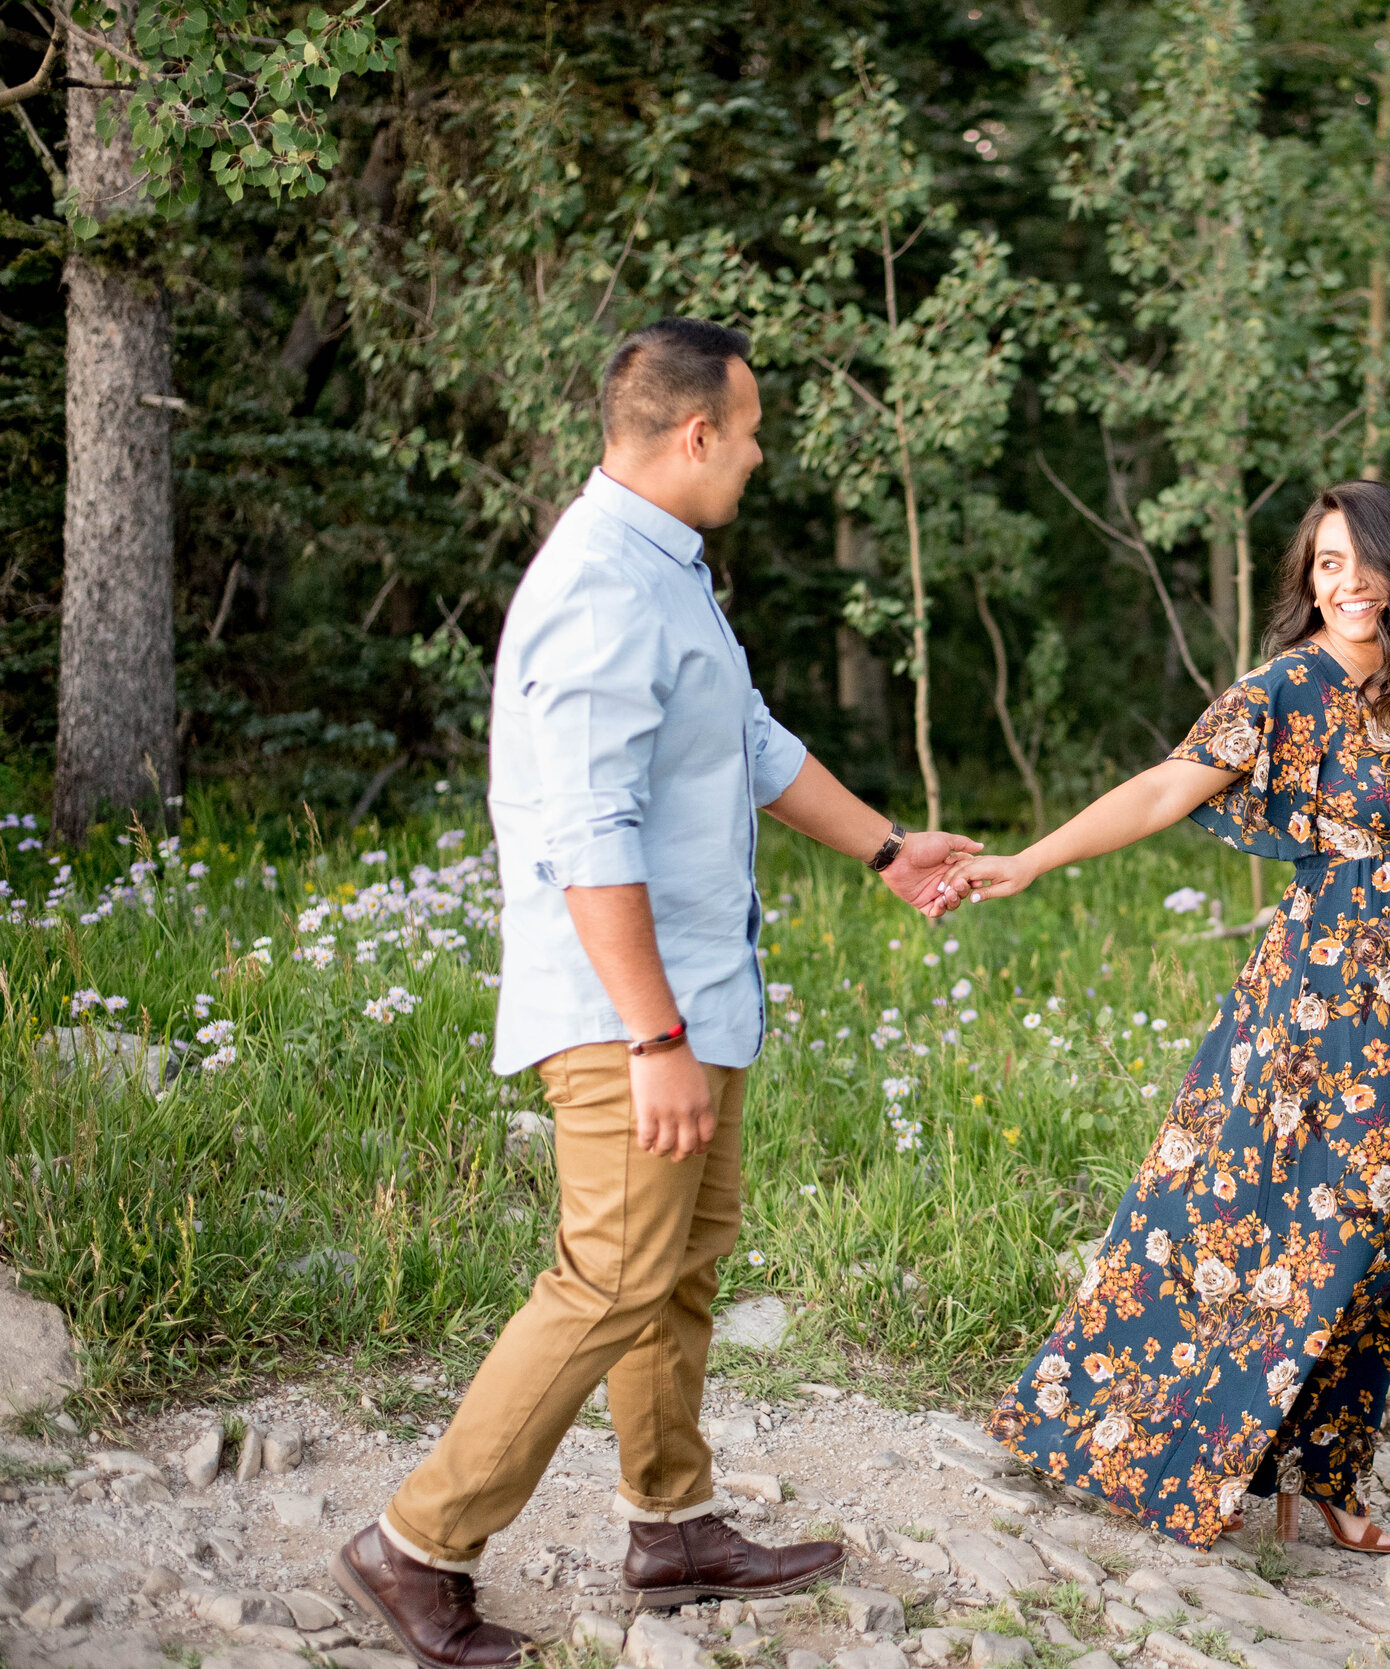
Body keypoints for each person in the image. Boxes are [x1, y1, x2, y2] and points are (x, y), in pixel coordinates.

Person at [332, 317, 980, 1669]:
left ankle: (670, 1522)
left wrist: (883, 846)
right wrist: (655, 1035)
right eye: (748, 435)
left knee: (677, 1272)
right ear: (693, 434)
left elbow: (744, 742)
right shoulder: (599, 587)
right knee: (609, 1277)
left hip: (695, 997)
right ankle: (416, 1542)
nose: (756, 458)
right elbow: (585, 830)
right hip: (634, 1012)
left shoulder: (668, 574)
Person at [952, 480, 1390, 1553]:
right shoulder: (1285, 691)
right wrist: (1027, 859)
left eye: (1362, 560)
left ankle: (1328, 1473)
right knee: (1262, 1222)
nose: (1343, 583)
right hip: (1321, 1010)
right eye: (1325, 563)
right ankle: (1138, 1440)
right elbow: (1164, 789)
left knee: (1382, 1249)